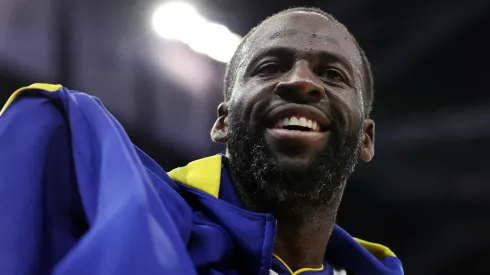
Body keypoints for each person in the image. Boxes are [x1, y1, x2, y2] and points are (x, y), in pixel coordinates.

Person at [0, 7, 403, 275]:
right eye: (269, 67)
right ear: (223, 122)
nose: (300, 81)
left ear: (366, 140)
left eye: (333, 75)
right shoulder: (98, 187)